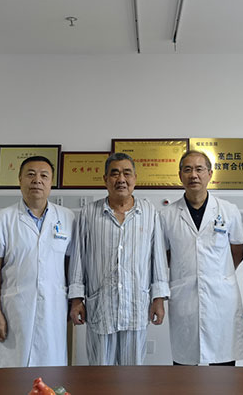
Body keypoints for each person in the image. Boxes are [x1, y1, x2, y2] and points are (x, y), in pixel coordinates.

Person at [68, 152, 170, 365]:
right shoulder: (89, 213)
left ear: (135, 179)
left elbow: (158, 260)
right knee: (100, 372)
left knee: (132, 375)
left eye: (127, 173)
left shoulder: (149, 213)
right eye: (114, 174)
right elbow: (79, 259)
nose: (121, 179)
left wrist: (158, 299)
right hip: (101, 307)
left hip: (136, 306)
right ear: (105, 179)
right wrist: (76, 300)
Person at [0, 156, 74, 367]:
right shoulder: (3, 218)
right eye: (30, 174)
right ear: (20, 180)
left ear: (51, 183)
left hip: (53, 308)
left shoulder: (67, 218)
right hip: (13, 309)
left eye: (44, 176)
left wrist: (72, 302)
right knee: (11, 369)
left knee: (50, 369)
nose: (37, 180)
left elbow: (71, 265)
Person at [161, 150, 243, 366]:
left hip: (221, 297)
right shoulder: (167, 215)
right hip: (184, 296)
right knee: (185, 366)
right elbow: (165, 255)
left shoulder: (228, 211)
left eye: (199, 169)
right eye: (187, 170)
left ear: (210, 174)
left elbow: (237, 250)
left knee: (223, 365)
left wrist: (216, 273)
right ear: (180, 175)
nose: (194, 175)